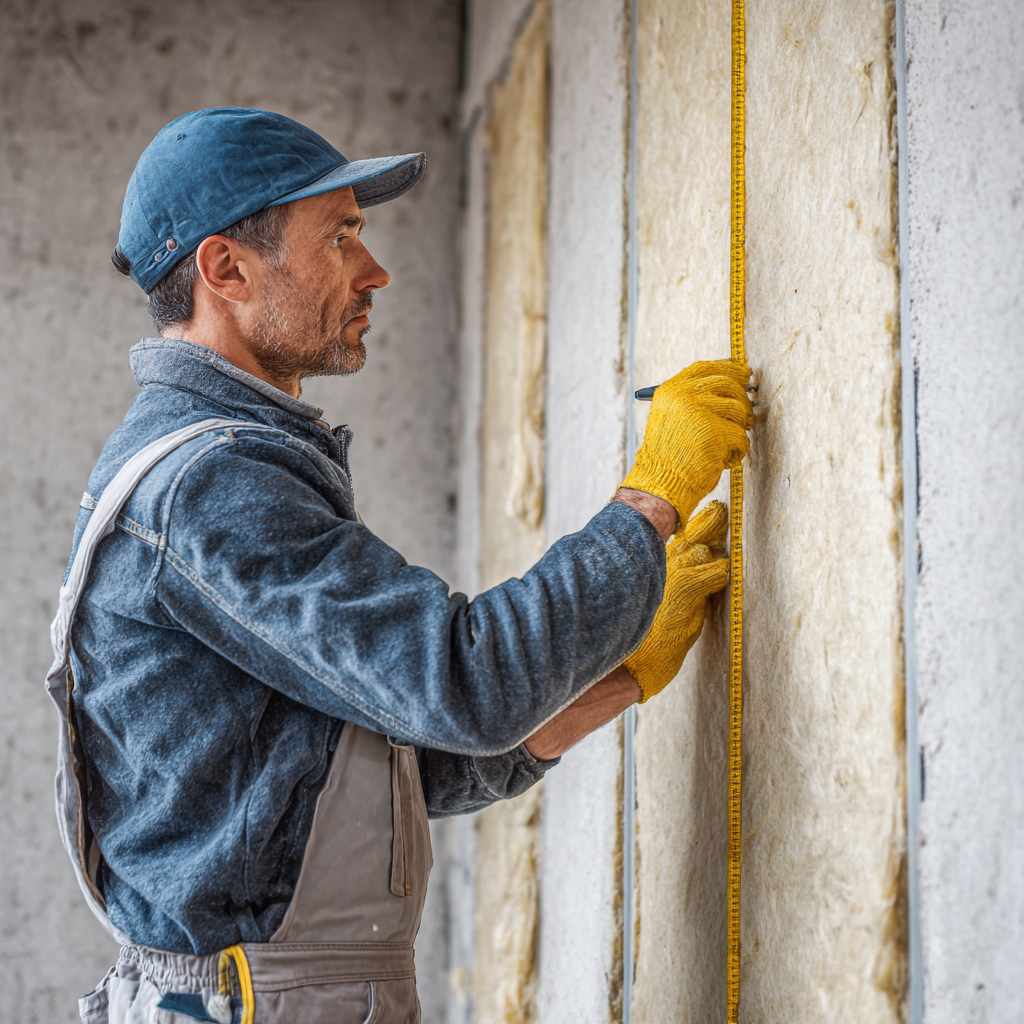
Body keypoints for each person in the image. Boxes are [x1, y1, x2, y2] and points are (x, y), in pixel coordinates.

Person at [48, 107, 752, 1024]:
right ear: (226, 268)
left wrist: (620, 674)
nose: (373, 270)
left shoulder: (225, 463)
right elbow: (463, 682)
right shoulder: (210, 483)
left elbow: (361, 780)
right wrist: (650, 499)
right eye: (339, 237)